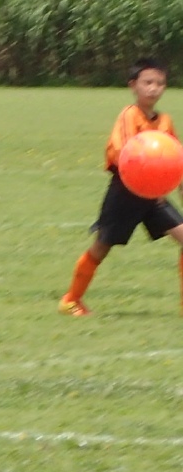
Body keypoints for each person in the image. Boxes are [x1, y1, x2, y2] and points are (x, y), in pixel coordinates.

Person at [59, 56, 183, 316]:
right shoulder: (129, 115)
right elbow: (126, 154)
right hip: (125, 193)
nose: (154, 88)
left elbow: (174, 158)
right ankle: (71, 300)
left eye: (160, 83)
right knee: (101, 247)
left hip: (155, 196)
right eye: (148, 82)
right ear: (133, 85)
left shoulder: (165, 121)